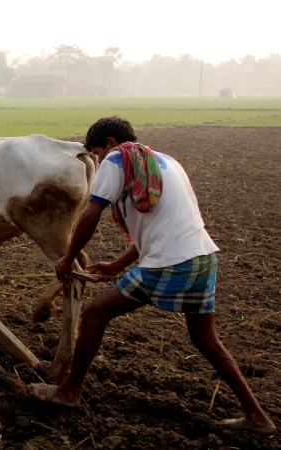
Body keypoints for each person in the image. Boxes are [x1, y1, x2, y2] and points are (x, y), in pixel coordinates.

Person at [25, 116, 276, 434]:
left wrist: (68, 258)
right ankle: (257, 416)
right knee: (205, 339)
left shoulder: (118, 158)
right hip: (202, 257)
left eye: (98, 153)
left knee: (94, 314)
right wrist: (116, 265)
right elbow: (163, 225)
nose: (99, 161)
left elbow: (91, 213)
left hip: (170, 263)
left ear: (111, 144)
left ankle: (68, 391)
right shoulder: (167, 162)